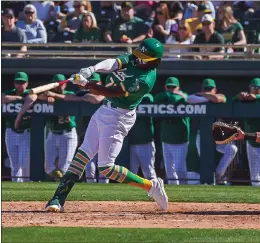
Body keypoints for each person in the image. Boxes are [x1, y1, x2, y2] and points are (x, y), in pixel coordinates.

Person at [45, 38, 168, 213]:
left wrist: (85, 84)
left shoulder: (144, 80)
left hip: (119, 117)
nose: (137, 59)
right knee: (82, 154)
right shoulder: (136, 59)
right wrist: (92, 69)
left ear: (154, 61)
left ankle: (150, 186)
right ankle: (58, 199)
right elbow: (114, 63)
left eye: (143, 57)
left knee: (106, 168)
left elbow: (110, 91)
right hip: (104, 110)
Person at [14, 74, 78, 181]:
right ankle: (60, 181)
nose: (59, 87)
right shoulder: (48, 95)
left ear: (65, 85)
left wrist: (54, 96)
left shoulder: (69, 93)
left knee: (65, 166)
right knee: (48, 167)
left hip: (68, 134)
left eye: (62, 84)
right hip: (53, 133)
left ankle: (64, 186)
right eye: (57, 84)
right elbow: (33, 96)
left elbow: (72, 98)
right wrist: (45, 97)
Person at [188, 78, 237, 184]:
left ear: (215, 89)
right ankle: (210, 183)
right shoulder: (197, 97)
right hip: (202, 136)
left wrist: (204, 95)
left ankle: (219, 174)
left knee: (232, 149)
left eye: (211, 89)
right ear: (202, 89)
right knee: (206, 162)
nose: (209, 90)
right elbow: (189, 99)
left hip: (218, 136)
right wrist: (207, 97)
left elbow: (219, 99)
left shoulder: (219, 96)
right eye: (206, 89)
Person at [233, 78, 260, 186]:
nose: (255, 89)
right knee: (255, 174)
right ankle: (258, 198)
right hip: (252, 139)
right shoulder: (246, 99)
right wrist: (239, 96)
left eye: (257, 87)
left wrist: (257, 97)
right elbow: (231, 101)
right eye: (253, 87)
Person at [155, 77, 189, 185]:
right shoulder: (163, 96)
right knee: (169, 169)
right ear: (165, 87)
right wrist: (169, 94)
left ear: (178, 87)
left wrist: (174, 95)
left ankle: (185, 189)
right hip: (166, 138)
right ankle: (174, 191)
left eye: (173, 87)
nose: (171, 89)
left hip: (180, 139)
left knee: (180, 169)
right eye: (169, 87)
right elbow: (156, 98)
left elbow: (178, 99)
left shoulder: (184, 96)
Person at [1, 72, 31, 182]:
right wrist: (19, 98)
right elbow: (2, 98)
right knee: (14, 164)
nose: (20, 85)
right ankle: (16, 185)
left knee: (24, 162)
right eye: (18, 82)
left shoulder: (30, 92)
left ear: (27, 83)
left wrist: (19, 115)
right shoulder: (10, 93)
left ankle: (26, 185)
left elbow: (33, 97)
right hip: (11, 132)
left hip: (25, 132)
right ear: (14, 83)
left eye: (22, 83)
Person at [128, 92, 157, 180]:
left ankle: (156, 191)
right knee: (131, 173)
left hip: (146, 143)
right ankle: (130, 193)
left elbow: (148, 98)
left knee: (148, 172)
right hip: (131, 143)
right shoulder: (128, 98)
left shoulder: (146, 97)